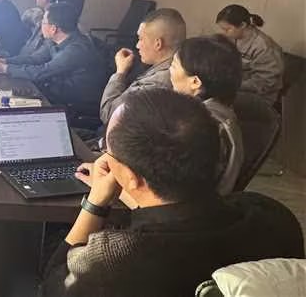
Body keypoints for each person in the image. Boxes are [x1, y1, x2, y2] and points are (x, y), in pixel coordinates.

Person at [41, 88, 304, 297]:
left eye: (108, 152)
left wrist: (95, 203)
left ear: (131, 176)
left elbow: (52, 286)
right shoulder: (274, 217)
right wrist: (132, 191)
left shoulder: (113, 258)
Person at [0, 3, 108, 115]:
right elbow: (34, 59)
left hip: (75, 107)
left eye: (43, 22)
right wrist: (4, 61)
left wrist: (4, 68)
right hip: (56, 96)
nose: (40, 26)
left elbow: (42, 71)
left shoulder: (77, 49)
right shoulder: (54, 41)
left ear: (54, 29)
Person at [170, 35, 244, 194]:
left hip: (190, 204)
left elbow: (173, 183)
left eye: (174, 65)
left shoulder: (200, 124)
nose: (169, 71)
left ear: (195, 82)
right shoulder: (220, 111)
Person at [99, 8, 186, 124]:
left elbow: (108, 114)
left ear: (158, 44)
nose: (137, 45)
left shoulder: (156, 83)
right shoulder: (181, 69)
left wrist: (120, 72)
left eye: (140, 39)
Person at [216, 4, 284, 106]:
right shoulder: (234, 37)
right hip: (238, 83)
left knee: (217, 105)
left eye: (227, 29)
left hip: (260, 95)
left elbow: (265, 83)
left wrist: (232, 85)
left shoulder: (264, 47)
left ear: (242, 25)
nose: (225, 33)